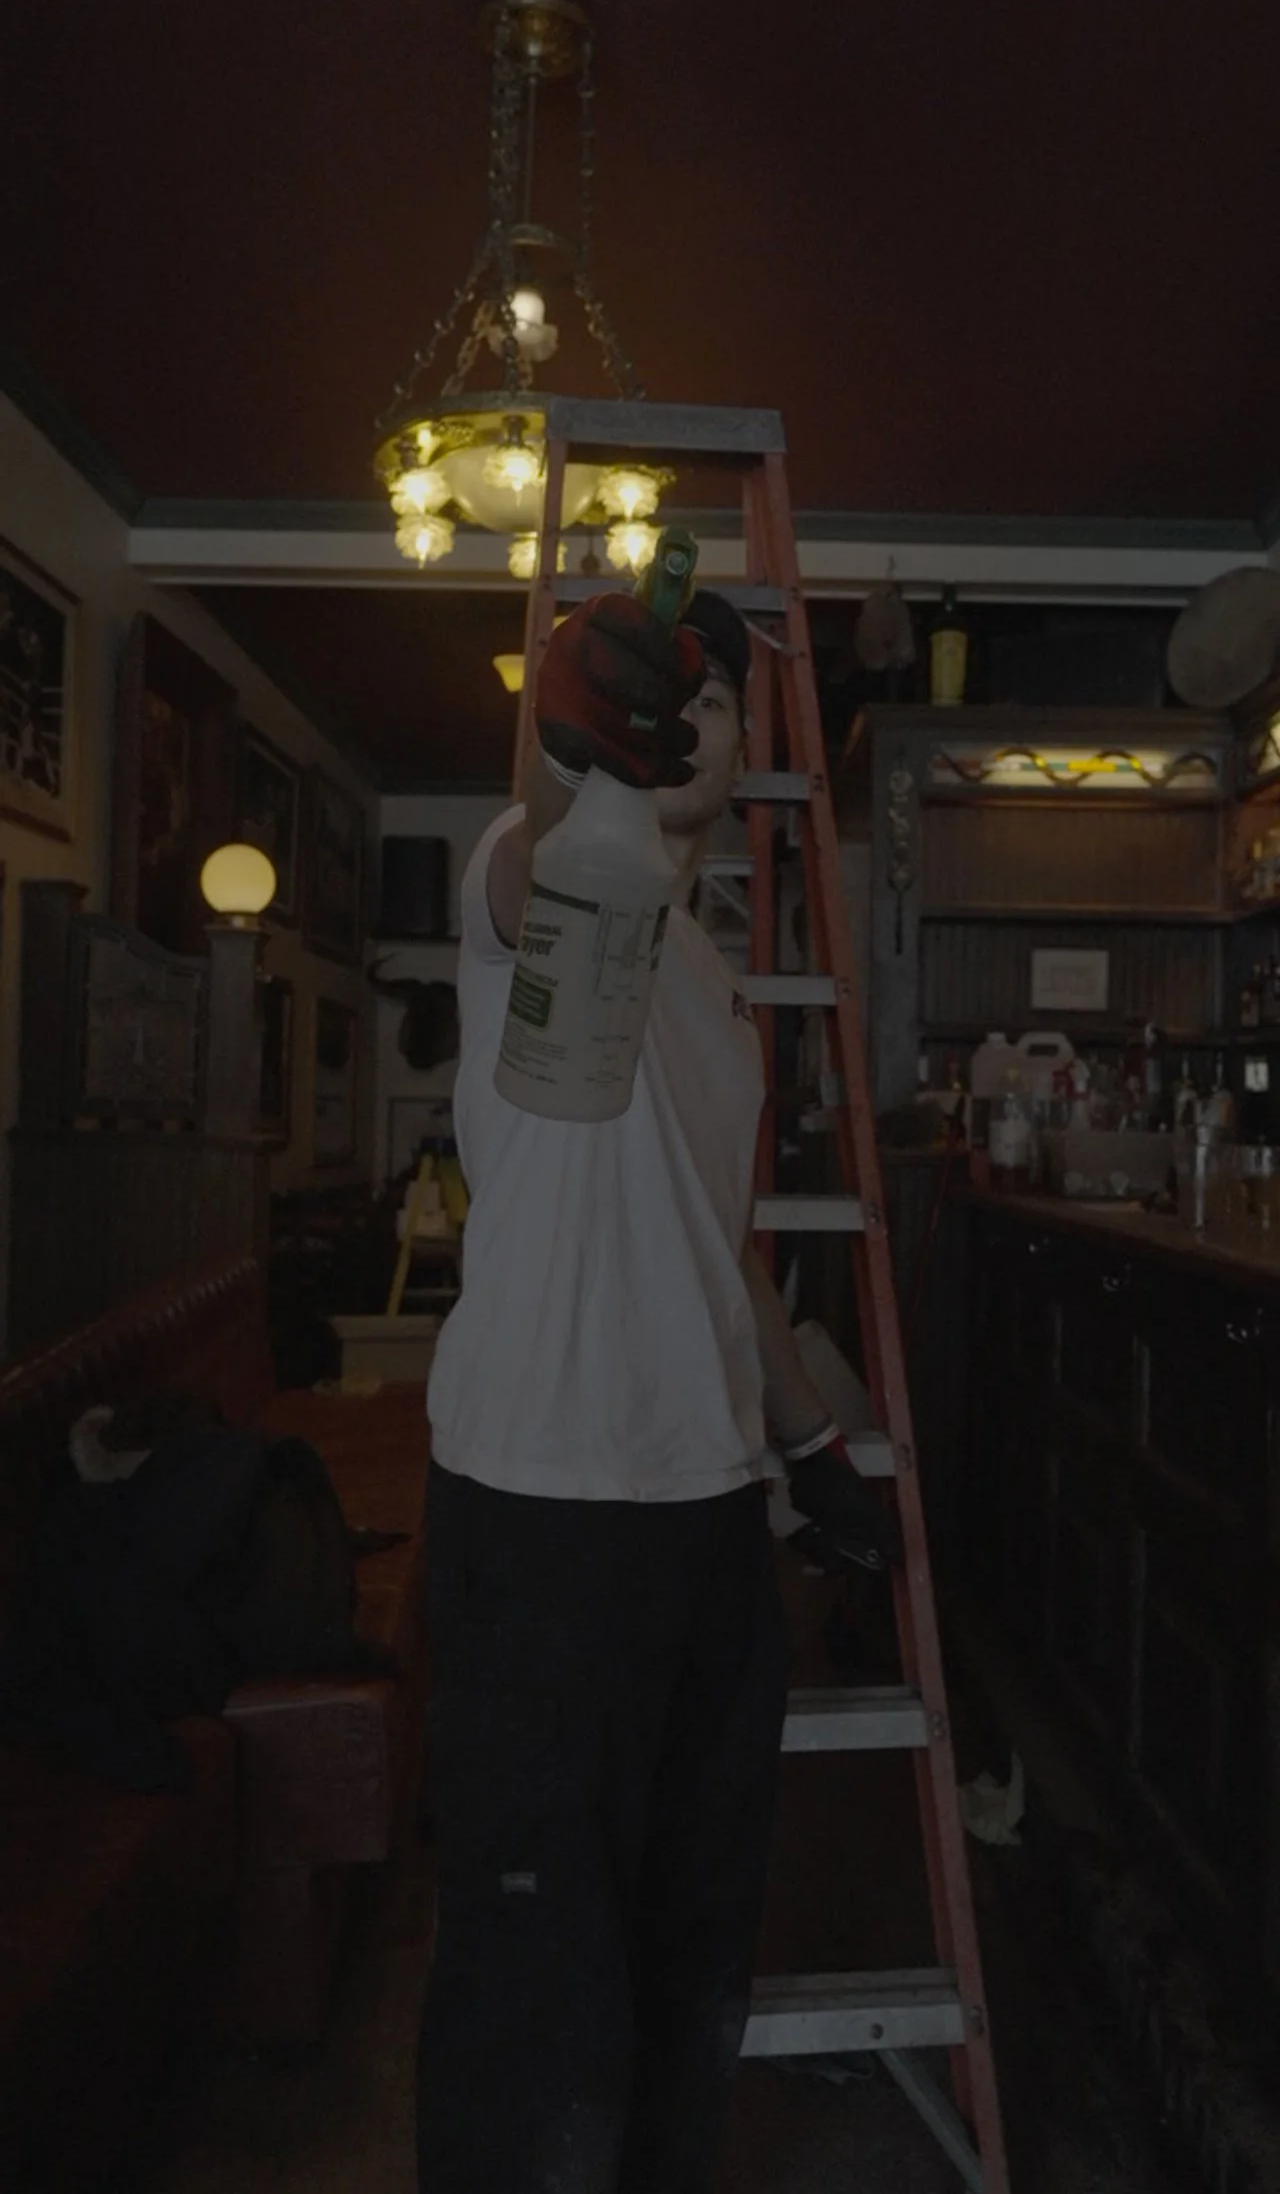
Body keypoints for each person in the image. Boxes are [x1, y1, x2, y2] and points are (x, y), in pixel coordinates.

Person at [417, 587, 900, 2194]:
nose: (685, 719)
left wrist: (809, 1440)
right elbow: (533, 863)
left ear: (749, 748)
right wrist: (577, 754)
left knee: (694, 1965)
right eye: (654, 697)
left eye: (711, 703)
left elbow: (718, 1248)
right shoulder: (536, 873)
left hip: (709, 1520)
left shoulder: (717, 996)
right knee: (534, 1985)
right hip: (538, 1511)